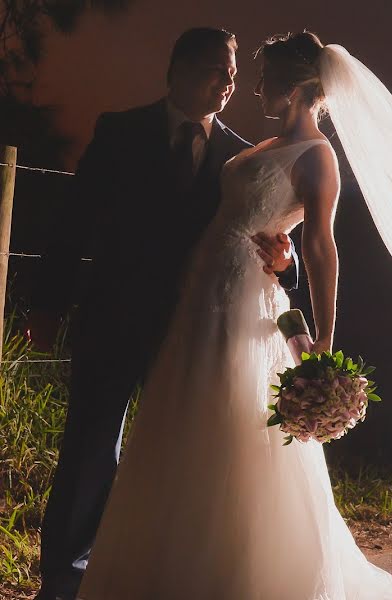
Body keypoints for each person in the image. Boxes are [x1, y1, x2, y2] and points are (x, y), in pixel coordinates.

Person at [74, 31, 392, 599]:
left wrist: (323, 336)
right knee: (179, 425)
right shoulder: (253, 147)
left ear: (298, 86)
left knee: (227, 430)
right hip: (198, 299)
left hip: (241, 303)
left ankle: (229, 573)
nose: (253, 87)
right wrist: (281, 245)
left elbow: (322, 245)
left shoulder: (318, 156)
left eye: (265, 77)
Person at [32, 28, 301, 600]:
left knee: (174, 453)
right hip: (115, 313)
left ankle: (144, 571)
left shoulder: (241, 155)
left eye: (232, 75)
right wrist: (50, 303)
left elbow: (267, 234)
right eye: (214, 70)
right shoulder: (120, 130)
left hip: (199, 325)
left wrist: (288, 261)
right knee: (89, 445)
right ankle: (63, 579)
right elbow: (73, 221)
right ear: (176, 68)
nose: (227, 84)